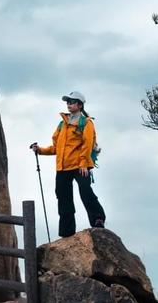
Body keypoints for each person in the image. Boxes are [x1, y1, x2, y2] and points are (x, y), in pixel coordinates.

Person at [30, 91, 106, 238]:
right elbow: (56, 147)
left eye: (72, 102)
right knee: (63, 198)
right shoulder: (62, 124)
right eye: (68, 102)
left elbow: (87, 144)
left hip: (79, 165)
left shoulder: (86, 123)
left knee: (85, 191)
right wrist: (40, 150)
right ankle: (66, 231)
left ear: (80, 104)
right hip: (63, 167)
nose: (69, 104)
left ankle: (98, 219)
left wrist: (84, 164)